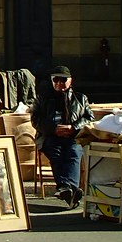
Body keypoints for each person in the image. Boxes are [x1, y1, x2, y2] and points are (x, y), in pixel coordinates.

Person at [31, 64, 93, 209]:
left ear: (70, 81)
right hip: (50, 136)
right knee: (56, 153)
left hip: (73, 137)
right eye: (56, 80)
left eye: (63, 80)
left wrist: (74, 127)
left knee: (74, 152)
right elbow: (36, 120)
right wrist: (53, 129)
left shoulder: (80, 99)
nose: (59, 83)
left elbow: (89, 118)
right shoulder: (42, 98)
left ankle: (65, 188)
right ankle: (70, 189)